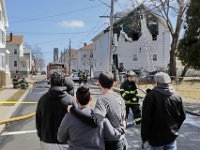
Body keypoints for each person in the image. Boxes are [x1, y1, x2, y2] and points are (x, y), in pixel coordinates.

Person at [69, 72, 128, 150]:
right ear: (113, 83)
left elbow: (95, 122)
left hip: (112, 144)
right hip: (123, 141)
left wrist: (73, 111)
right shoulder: (120, 97)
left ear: (99, 83)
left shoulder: (103, 100)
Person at [58, 86, 122, 150]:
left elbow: (60, 138)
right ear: (90, 99)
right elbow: (114, 136)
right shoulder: (100, 118)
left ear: (76, 100)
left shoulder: (69, 117)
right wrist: (121, 126)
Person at [141, 72, 186, 150]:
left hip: (156, 139)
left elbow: (146, 120)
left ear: (157, 82)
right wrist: (175, 129)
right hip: (171, 137)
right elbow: (182, 116)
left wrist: (144, 137)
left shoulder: (151, 96)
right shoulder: (177, 95)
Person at [36, 72, 77, 150]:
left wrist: (41, 136)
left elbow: (38, 121)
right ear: (62, 83)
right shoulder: (70, 100)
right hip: (65, 143)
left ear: (51, 83)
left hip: (46, 142)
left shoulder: (42, 100)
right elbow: (76, 122)